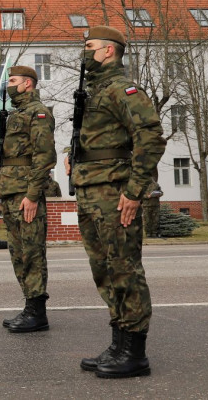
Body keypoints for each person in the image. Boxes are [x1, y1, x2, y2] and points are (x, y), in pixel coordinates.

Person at [65, 26, 166, 378]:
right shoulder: (95, 91)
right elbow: (97, 137)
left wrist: (136, 190)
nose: (84, 52)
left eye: (89, 46)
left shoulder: (123, 90)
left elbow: (150, 135)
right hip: (91, 188)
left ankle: (135, 353)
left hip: (114, 191)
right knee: (104, 270)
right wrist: (73, 155)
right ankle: (119, 342)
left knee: (124, 267)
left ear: (109, 51)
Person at [0, 65, 57, 333]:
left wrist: (33, 195)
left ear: (28, 84)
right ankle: (29, 306)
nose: (8, 85)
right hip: (10, 191)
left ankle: (37, 312)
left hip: (24, 194)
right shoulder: (15, 114)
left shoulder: (38, 112)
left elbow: (44, 156)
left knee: (31, 252)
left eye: (13, 80)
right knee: (18, 252)